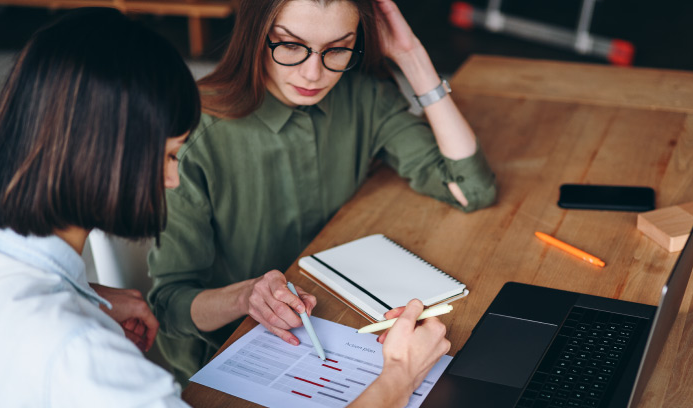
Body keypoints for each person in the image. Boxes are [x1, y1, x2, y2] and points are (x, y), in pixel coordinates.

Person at [0, 9, 449, 408]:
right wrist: (399, 377)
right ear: (99, 151)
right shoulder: (76, 349)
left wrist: (87, 294)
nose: (170, 179)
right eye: (167, 156)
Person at [148, 0, 496, 382]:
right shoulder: (190, 135)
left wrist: (411, 55)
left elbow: (471, 189)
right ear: (255, 36)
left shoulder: (364, 94)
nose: (314, 73)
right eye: (290, 45)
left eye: (337, 48)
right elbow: (169, 305)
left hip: (342, 323)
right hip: (228, 358)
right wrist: (245, 297)